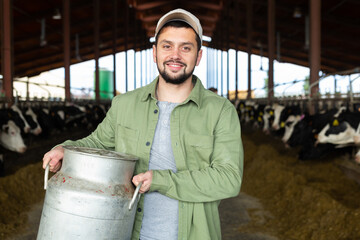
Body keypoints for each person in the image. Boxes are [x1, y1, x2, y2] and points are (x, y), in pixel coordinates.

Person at [42, 8, 243, 240]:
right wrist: (65, 149)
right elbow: (97, 143)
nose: (175, 55)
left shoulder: (220, 111)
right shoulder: (124, 104)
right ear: (154, 53)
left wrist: (160, 180)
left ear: (198, 56)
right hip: (128, 232)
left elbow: (229, 178)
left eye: (185, 48)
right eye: (167, 46)